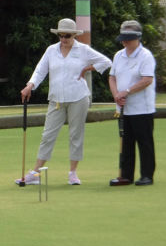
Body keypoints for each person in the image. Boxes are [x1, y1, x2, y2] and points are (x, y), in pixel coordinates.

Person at [17, 18, 112, 185]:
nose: (63, 39)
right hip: (56, 99)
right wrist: (29, 86)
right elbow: (40, 70)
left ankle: (73, 173)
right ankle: (35, 173)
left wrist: (88, 68)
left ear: (74, 35)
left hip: (78, 97)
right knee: (48, 135)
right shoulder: (51, 50)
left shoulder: (83, 50)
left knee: (76, 135)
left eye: (67, 35)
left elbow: (106, 62)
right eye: (60, 35)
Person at [108, 20, 156, 186]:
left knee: (144, 142)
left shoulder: (145, 56)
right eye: (123, 38)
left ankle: (147, 175)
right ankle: (126, 175)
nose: (124, 41)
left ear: (138, 38)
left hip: (142, 108)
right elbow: (112, 77)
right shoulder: (118, 55)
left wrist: (126, 92)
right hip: (123, 107)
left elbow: (147, 80)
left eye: (128, 38)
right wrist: (116, 95)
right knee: (126, 142)